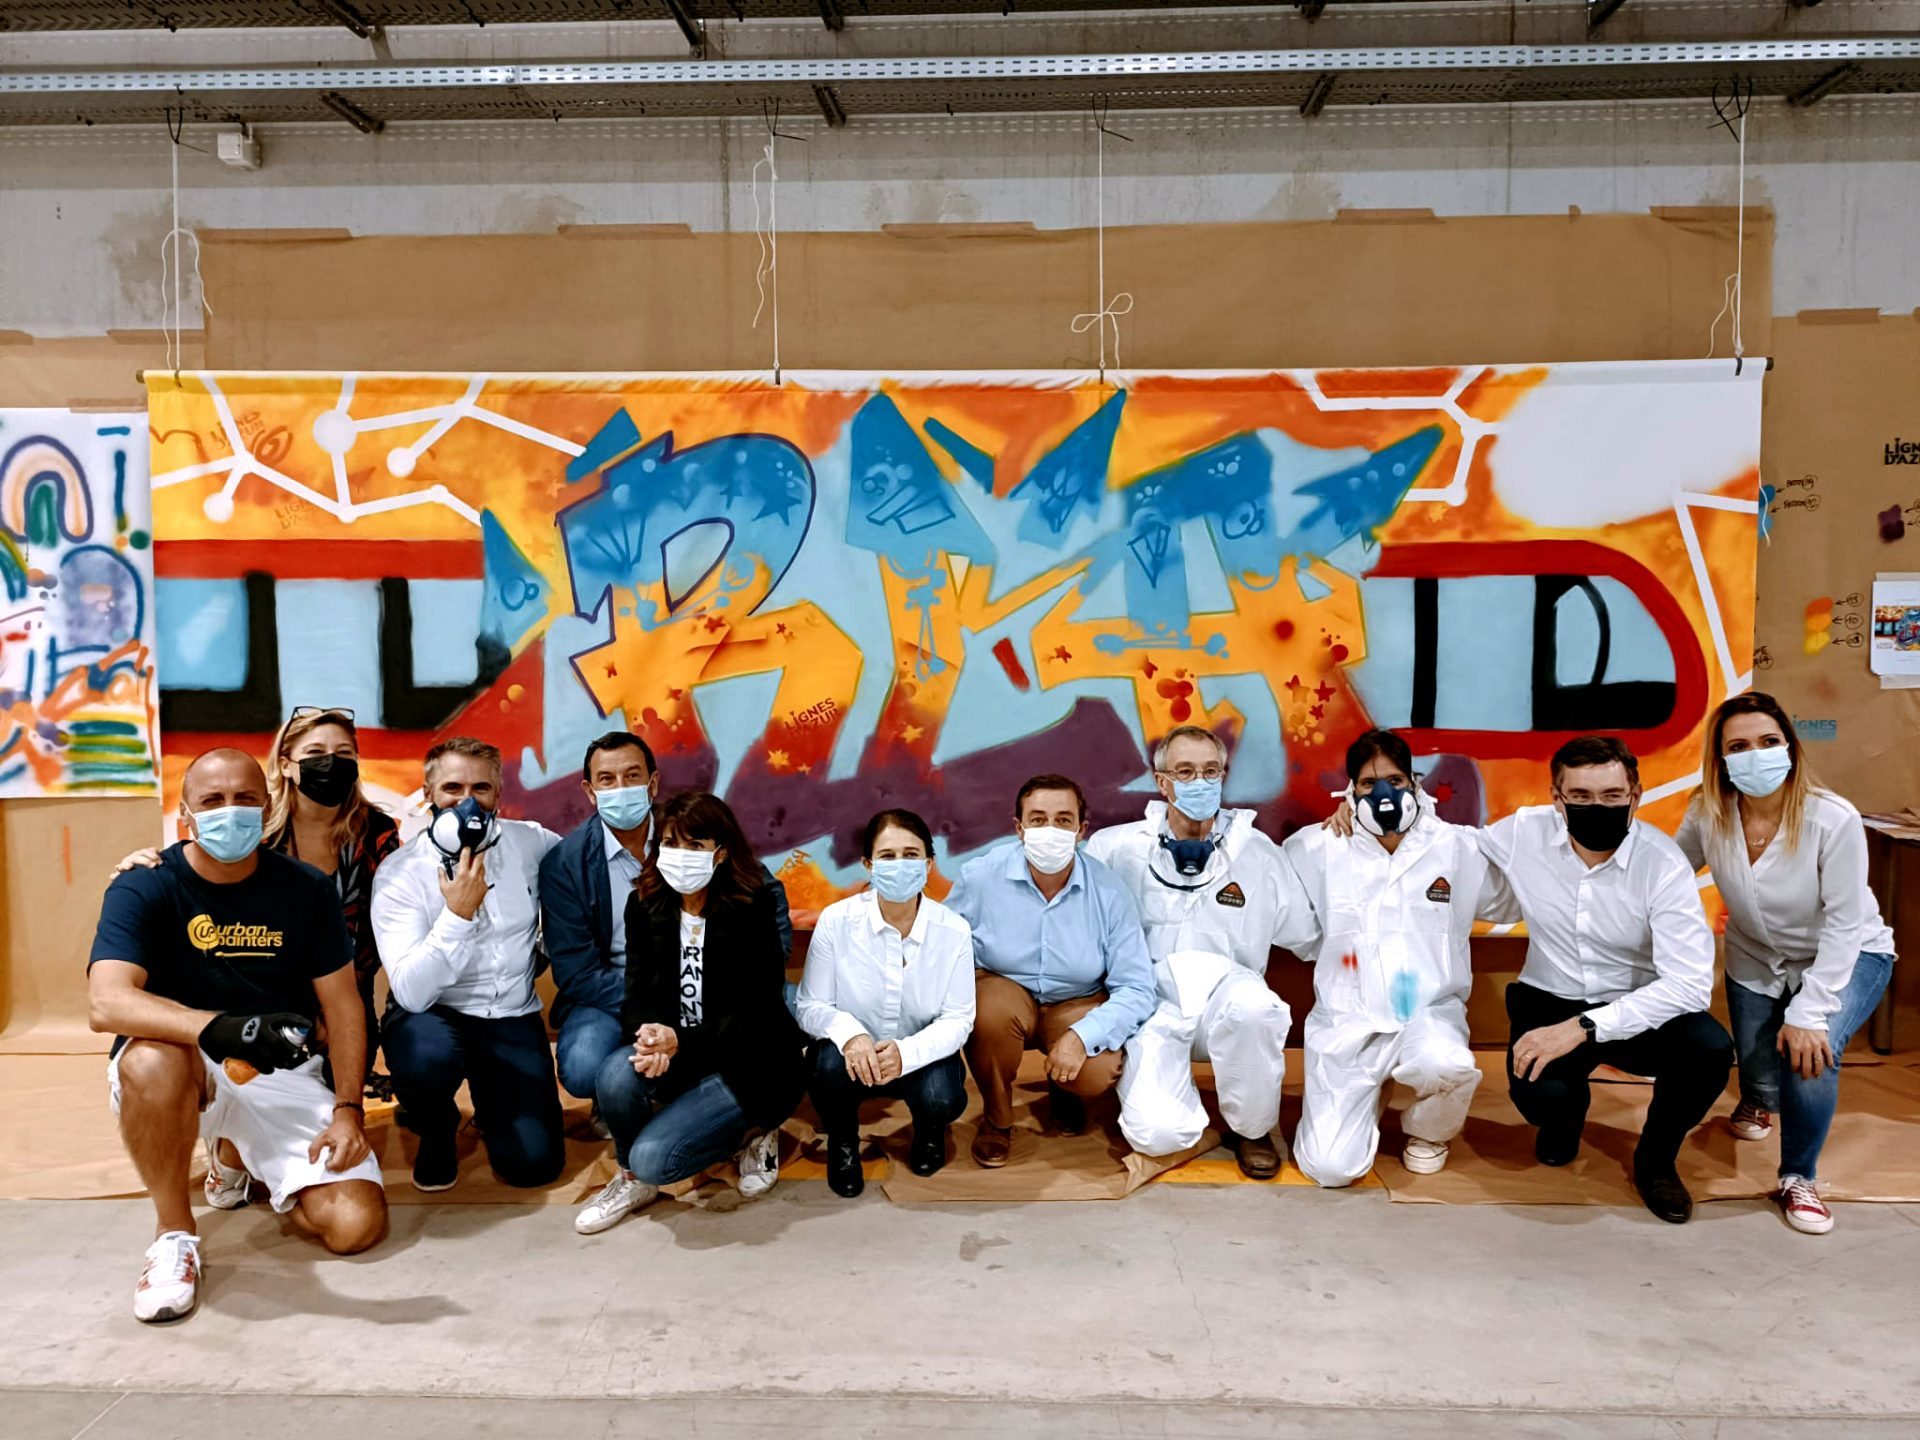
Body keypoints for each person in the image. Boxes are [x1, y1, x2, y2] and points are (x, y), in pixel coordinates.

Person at [87, 747, 387, 1323]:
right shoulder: (143, 885)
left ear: (267, 806)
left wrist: (349, 1110)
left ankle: (236, 1157)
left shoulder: (306, 889)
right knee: (149, 1061)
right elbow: (107, 1002)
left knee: (355, 1226)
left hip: (277, 1070)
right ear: (185, 814)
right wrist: (220, 1029)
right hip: (181, 1065)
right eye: (213, 800)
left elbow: (344, 1005)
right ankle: (174, 1236)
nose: (230, 810)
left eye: (245, 798)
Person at [1485, 735, 1732, 1224]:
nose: (1596, 807)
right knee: (1542, 1099)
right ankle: (1563, 1119)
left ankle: (1656, 1160)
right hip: (1549, 997)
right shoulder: (1522, 833)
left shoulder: (1663, 864)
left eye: (1612, 796)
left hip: (1634, 1006)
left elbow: (1688, 985)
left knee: (1709, 1051)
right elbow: (1444, 843)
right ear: (1557, 798)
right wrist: (1350, 815)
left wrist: (1584, 1027)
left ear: (1635, 796)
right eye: (1580, 796)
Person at [1675, 692, 1897, 1234]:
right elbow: (1670, 872)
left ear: (1791, 748)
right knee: (1755, 1058)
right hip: (1755, 953)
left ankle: (1799, 1175)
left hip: (1847, 953)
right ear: (1720, 757)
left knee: (1810, 1052)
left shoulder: (1832, 818)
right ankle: (1757, 1100)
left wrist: (1810, 1012)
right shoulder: (1708, 811)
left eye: (1768, 741)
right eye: (1739, 746)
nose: (1755, 754)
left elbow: (1844, 923)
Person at [109, 705, 402, 1098]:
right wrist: (143, 864)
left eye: (344, 754)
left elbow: (389, 916)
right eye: (315, 753)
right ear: (287, 765)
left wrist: (334, 1008)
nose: (330, 763)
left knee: (338, 1084)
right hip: (269, 985)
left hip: (347, 982)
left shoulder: (377, 833)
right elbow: (196, 874)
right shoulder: (250, 830)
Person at [1284, 729, 1513, 1186]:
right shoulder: (1316, 848)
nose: (1383, 794)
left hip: (1427, 1013)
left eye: (1394, 780)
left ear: (1414, 782)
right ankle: (1369, 1092)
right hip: (1348, 1022)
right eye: (1369, 784)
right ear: (1350, 789)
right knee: (1330, 1167)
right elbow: (1299, 931)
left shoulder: (1457, 848)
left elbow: (1510, 902)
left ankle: (1429, 1132)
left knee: (1449, 1067)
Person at [1085, 724, 1314, 1177]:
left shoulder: (1257, 852)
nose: (1200, 782)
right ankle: (1172, 1105)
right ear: (1161, 781)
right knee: (1158, 1135)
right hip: (1149, 1003)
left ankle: (1253, 1128)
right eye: (1185, 771)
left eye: (1211, 771)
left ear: (1224, 776)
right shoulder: (1115, 849)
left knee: (1257, 1009)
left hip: (1229, 999)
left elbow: (1308, 935)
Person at [574, 791, 807, 1234]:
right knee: (614, 1077)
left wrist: (681, 1041)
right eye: (670, 843)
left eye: (695, 845)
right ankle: (632, 1180)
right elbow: (636, 991)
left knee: (655, 1158)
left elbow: (760, 1011)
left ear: (721, 852)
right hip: (682, 1054)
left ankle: (754, 1132)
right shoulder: (645, 903)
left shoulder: (753, 903)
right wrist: (649, 1036)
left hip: (750, 1062)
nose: (680, 855)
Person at [540, 730, 794, 1129]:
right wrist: (654, 1011)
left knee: (785, 1007)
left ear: (653, 782)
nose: (621, 788)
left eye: (632, 775)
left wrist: (765, 961)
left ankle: (724, 1091)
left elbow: (761, 889)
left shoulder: (686, 826)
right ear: (590, 791)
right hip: (613, 990)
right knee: (584, 1065)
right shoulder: (564, 864)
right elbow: (577, 972)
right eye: (607, 779)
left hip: (710, 979)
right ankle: (623, 1097)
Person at [370, 736, 566, 1193]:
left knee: (533, 1167)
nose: (467, 801)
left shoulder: (531, 843)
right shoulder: (401, 872)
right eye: (452, 788)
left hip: (510, 1014)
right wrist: (457, 916)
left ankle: (494, 1103)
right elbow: (412, 992)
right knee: (426, 1060)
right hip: (433, 1014)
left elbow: (583, 864)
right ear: (429, 794)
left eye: (481, 788)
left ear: (498, 794)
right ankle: (436, 1125)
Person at [944, 774, 1157, 1168]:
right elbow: (942, 948)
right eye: (1038, 819)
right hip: (1004, 994)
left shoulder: (1110, 892)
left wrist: (1082, 1036)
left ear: (1081, 830)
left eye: (1063, 820)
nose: (1051, 830)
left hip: (1077, 1001)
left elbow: (1137, 987)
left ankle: (1065, 1087)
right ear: (1019, 828)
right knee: (989, 1013)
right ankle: (997, 1119)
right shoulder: (981, 877)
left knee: (1096, 1067)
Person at [796, 808, 975, 1197]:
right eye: (888, 856)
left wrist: (905, 1054)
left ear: (928, 863)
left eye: (911, 855)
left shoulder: (954, 930)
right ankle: (843, 1141)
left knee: (942, 1099)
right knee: (825, 1068)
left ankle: (929, 1131)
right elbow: (810, 1007)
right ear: (868, 864)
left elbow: (959, 1019)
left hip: (920, 1052)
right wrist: (852, 1036)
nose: (900, 865)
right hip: (852, 1057)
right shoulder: (836, 921)